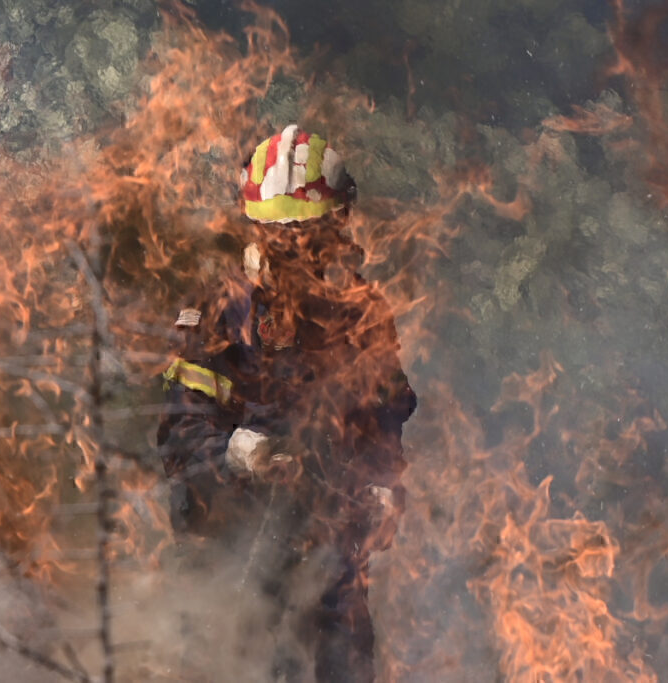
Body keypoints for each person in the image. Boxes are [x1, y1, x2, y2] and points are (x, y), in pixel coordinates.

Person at [157, 125, 416, 681]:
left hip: (330, 541)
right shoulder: (221, 312)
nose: (297, 249)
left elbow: (384, 419)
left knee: (343, 658)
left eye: (311, 233)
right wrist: (238, 451)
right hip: (231, 539)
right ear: (254, 230)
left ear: (338, 225)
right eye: (281, 235)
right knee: (229, 658)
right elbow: (181, 432)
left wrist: (383, 484)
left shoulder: (361, 313)